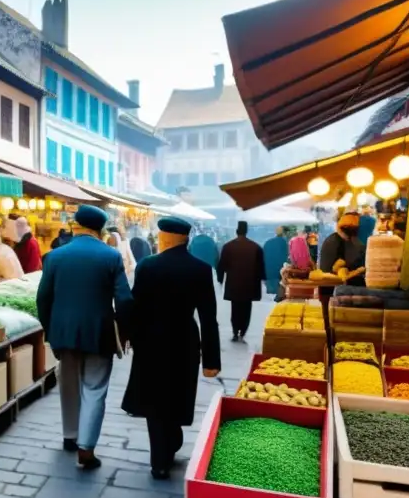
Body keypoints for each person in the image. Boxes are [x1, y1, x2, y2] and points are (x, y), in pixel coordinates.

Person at [123, 216, 220, 480]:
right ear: (185, 239)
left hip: (150, 342)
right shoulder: (200, 269)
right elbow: (209, 318)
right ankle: (172, 442)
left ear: (164, 238)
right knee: (177, 394)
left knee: (154, 399)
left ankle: (159, 461)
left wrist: (129, 336)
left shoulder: (147, 266)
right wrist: (212, 361)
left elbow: (136, 306)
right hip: (184, 342)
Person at [36, 205, 133, 470]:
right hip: (98, 333)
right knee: (94, 387)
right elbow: (124, 299)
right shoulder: (110, 256)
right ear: (100, 230)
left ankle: (70, 436)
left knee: (68, 382)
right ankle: (86, 448)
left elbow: (43, 299)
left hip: (64, 332)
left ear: (77, 226)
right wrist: (125, 331)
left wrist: (50, 330)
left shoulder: (55, 256)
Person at [216, 221, 265, 343]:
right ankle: (243, 332)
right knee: (246, 309)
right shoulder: (256, 247)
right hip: (249, 285)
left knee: (235, 309)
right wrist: (261, 281)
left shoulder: (228, 247)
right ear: (246, 231)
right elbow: (260, 269)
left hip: (234, 284)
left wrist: (220, 279)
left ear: (236, 231)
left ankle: (235, 331)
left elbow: (221, 266)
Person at [318, 212, 366, 328]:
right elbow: (337, 269)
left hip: (335, 291)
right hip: (332, 291)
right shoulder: (335, 241)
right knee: (331, 324)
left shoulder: (342, 240)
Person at [262, 228, 289, 296]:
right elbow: (286, 259)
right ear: (284, 233)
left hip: (268, 275)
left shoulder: (268, 242)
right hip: (279, 277)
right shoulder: (284, 243)